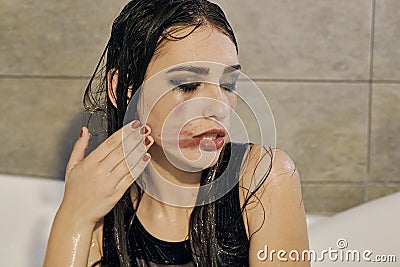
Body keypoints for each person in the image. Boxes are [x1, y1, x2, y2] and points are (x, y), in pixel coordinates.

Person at [43, 0, 309, 266]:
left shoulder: (264, 178)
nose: (218, 107)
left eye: (228, 84)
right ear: (125, 87)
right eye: (188, 84)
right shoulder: (98, 218)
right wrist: (74, 215)